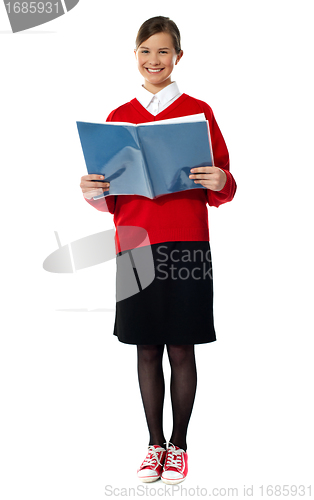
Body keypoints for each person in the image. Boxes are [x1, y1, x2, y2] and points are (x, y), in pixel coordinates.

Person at [80, 16, 237, 485]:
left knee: (181, 345)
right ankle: (154, 446)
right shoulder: (117, 117)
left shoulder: (199, 111)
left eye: (164, 52)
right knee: (145, 346)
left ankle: (180, 445)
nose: (154, 61)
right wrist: (91, 190)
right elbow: (111, 200)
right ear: (135, 55)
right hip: (135, 244)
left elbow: (224, 184)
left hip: (187, 243)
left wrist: (221, 180)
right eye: (146, 51)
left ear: (178, 57)